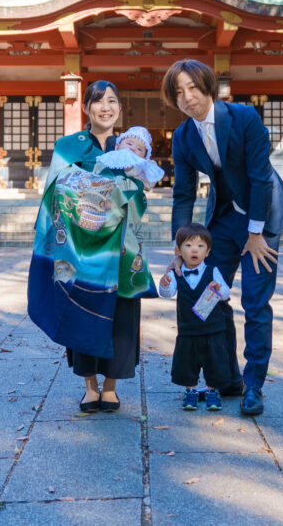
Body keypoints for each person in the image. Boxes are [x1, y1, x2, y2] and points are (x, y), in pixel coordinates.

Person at [162, 59, 283, 416]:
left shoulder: (243, 117)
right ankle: (227, 377)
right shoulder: (183, 136)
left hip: (261, 218)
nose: (187, 98)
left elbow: (260, 177)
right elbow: (183, 194)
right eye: (178, 93)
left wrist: (255, 233)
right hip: (221, 221)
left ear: (208, 86)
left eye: (192, 87)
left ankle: (254, 386)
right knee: (210, 298)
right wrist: (179, 248)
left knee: (255, 302)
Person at [27, 81, 157, 414]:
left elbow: (140, 193)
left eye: (112, 101)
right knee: (80, 308)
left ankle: (111, 387)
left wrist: (130, 187)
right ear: (86, 108)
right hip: (78, 246)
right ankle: (89, 386)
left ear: (120, 109)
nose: (105, 107)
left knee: (122, 313)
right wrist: (100, 190)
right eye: (98, 101)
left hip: (121, 246)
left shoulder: (130, 144)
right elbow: (55, 190)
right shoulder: (69, 146)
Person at [158, 223, 232, 412]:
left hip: (213, 328)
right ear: (178, 250)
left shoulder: (213, 271)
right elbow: (167, 293)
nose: (194, 250)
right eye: (189, 245)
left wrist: (219, 289)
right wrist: (165, 283)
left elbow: (226, 293)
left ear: (207, 252)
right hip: (188, 328)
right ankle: (190, 391)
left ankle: (212, 392)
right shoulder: (176, 273)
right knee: (187, 362)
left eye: (200, 246)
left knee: (214, 361)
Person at [94, 126, 166, 190]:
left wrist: (138, 182)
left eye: (139, 149)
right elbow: (97, 172)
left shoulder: (141, 168)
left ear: (144, 158)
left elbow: (148, 184)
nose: (133, 148)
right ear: (117, 147)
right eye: (129, 144)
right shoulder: (109, 159)